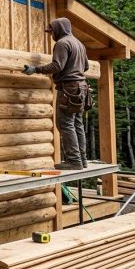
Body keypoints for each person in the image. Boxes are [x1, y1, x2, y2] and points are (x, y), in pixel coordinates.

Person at [23, 17, 89, 170]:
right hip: (82, 88)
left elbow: (57, 66)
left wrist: (35, 69)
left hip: (69, 89)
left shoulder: (62, 43)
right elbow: (85, 66)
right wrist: (74, 70)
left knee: (65, 124)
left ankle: (74, 161)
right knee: (77, 124)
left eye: (52, 31)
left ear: (59, 29)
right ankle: (82, 160)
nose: (51, 34)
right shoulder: (79, 43)